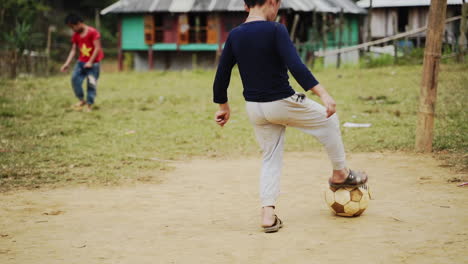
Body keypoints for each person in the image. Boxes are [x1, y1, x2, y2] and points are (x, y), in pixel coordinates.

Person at [212, 0, 368, 233]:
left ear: (246, 6)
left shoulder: (235, 35)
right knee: (328, 119)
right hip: (282, 101)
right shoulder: (276, 29)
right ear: (272, 2)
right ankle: (340, 173)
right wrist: (323, 94)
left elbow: (221, 74)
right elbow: (295, 66)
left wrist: (223, 106)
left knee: (270, 157)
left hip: (255, 108)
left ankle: (267, 213)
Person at [60, 14, 104, 112]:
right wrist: (67, 63)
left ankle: (89, 104)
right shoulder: (76, 35)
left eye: (72, 26)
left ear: (79, 23)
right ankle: (81, 99)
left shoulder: (93, 32)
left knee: (91, 84)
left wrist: (90, 62)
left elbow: (97, 48)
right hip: (81, 62)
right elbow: (73, 50)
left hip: (93, 64)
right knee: (74, 79)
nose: (72, 29)